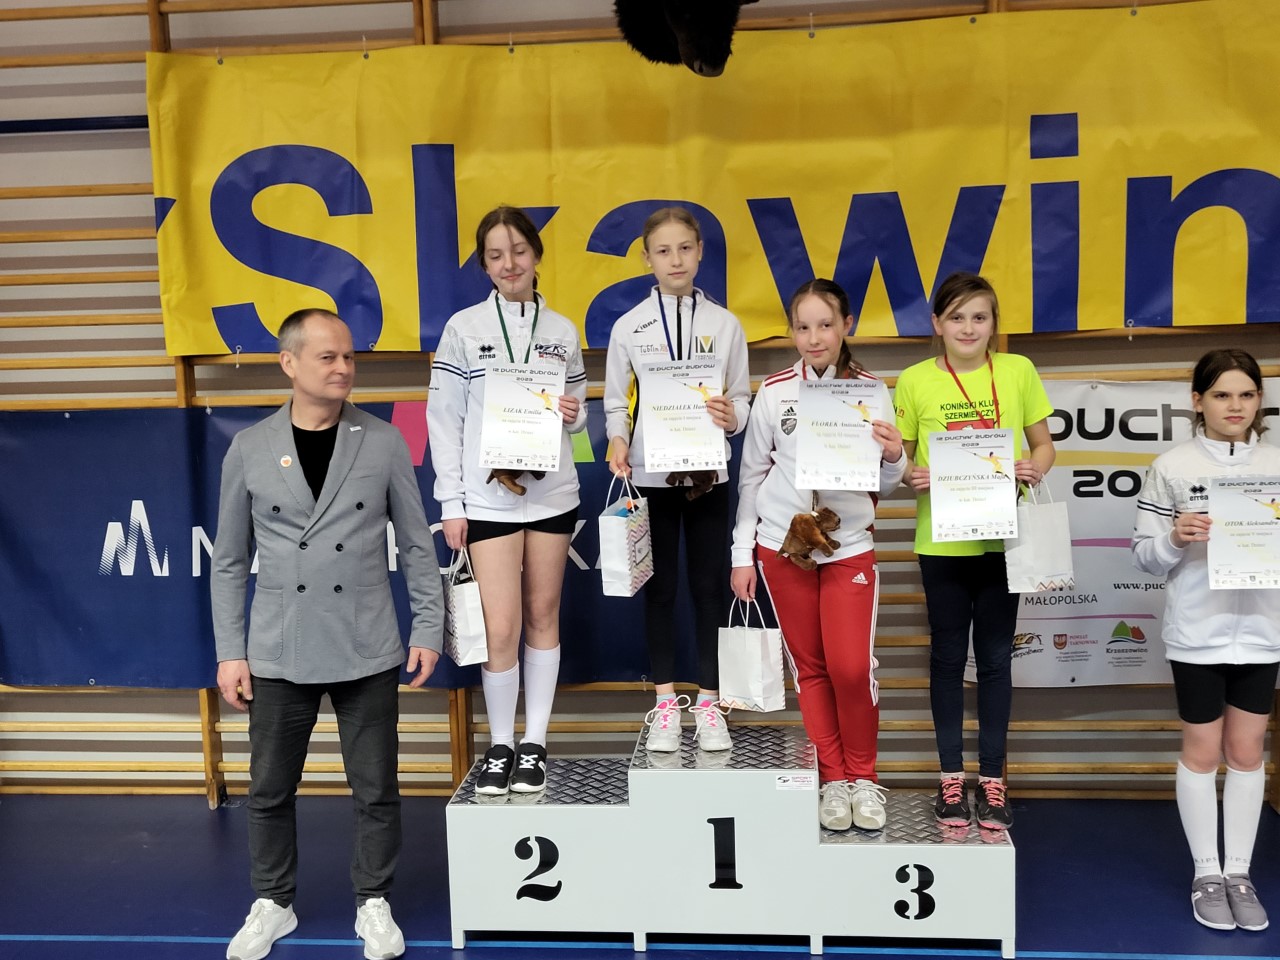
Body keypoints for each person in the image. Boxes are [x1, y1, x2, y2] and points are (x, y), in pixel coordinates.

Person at [212, 308, 444, 960]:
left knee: (376, 788)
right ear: (289, 363)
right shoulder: (249, 447)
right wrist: (231, 651)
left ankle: (374, 901)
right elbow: (229, 561)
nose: (343, 368)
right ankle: (273, 902)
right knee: (268, 789)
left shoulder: (385, 441)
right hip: (278, 647)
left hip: (367, 643)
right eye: (328, 357)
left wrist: (428, 627)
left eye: (349, 357)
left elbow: (417, 545)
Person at [730, 279, 905, 830]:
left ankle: (864, 778)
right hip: (783, 547)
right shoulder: (775, 391)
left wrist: (896, 457)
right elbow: (752, 477)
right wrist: (741, 553)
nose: (814, 338)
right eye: (803, 327)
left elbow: (887, 482)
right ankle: (833, 780)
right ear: (791, 332)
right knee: (810, 669)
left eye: (825, 325)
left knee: (851, 668)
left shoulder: (871, 391)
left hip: (848, 546)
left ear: (846, 325)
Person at [428, 205, 587, 796]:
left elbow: (578, 415)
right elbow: (443, 420)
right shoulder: (463, 328)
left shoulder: (563, 330)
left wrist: (573, 415)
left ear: (536, 255)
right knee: (501, 627)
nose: (509, 264)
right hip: (487, 500)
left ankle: (535, 743)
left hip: (552, 496)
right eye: (495, 255)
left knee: (544, 615)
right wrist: (451, 502)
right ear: (484, 264)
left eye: (518, 251)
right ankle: (500, 745)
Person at [893, 271, 1055, 830]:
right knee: (945, 659)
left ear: (993, 324)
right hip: (941, 542)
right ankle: (949, 781)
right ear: (937, 324)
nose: (968, 327)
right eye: (957, 317)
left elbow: (1043, 444)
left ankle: (992, 781)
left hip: (1001, 539)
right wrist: (910, 474)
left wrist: (1034, 468)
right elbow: (900, 461)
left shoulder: (1017, 370)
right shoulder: (913, 380)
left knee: (994, 660)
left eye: (979, 317)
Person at [1132, 348, 1279, 932]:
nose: (1234, 406)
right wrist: (1175, 536)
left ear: (1260, 400)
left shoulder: (1278, 463)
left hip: (1263, 633)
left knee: (1247, 752)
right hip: (1197, 633)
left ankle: (1239, 873)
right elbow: (1145, 556)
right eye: (1221, 394)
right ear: (1197, 401)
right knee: (1201, 751)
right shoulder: (1172, 466)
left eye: (1246, 394)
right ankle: (1206, 874)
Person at [604, 206, 751, 752]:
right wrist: (618, 439)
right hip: (652, 474)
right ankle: (665, 703)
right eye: (663, 251)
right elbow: (615, 402)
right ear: (647, 259)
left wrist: (732, 417)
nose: (675, 260)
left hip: (709, 472)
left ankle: (709, 703)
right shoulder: (629, 327)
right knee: (660, 588)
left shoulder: (725, 324)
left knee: (709, 588)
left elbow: (741, 397)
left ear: (701, 252)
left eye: (685, 248)